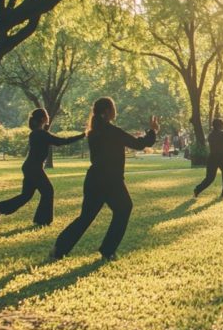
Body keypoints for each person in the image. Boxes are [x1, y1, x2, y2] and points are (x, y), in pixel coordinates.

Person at [50, 98, 158, 260]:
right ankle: (108, 250)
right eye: (113, 108)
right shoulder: (111, 131)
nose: (115, 110)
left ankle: (59, 249)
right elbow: (138, 144)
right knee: (124, 208)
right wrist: (153, 131)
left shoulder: (94, 130)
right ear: (107, 111)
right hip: (111, 181)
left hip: (95, 179)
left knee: (86, 217)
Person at [0, 109, 85, 226]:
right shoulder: (41, 134)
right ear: (42, 119)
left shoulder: (38, 133)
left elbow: (56, 140)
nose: (48, 116)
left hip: (31, 167)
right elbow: (62, 141)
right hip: (33, 168)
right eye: (46, 115)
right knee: (48, 191)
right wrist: (83, 135)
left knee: (26, 196)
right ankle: (42, 221)